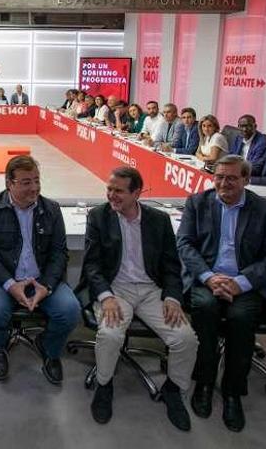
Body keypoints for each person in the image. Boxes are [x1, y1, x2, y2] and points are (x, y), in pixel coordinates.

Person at [83, 166, 198, 430]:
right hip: (115, 289)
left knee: (185, 339)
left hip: (151, 291)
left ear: (137, 193)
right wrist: (106, 297)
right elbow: (92, 266)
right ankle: (104, 385)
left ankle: (173, 389)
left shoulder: (159, 220)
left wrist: (172, 298)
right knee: (110, 335)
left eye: (119, 191)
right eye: (109, 189)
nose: (111, 195)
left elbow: (171, 266)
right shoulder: (98, 216)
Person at [176, 155, 266, 432]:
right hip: (206, 281)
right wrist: (209, 278)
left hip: (245, 284)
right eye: (219, 177)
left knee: (240, 318)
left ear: (246, 180)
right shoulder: (197, 203)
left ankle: (233, 391)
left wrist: (241, 282)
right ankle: (204, 382)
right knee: (206, 310)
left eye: (232, 178)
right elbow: (185, 245)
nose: (224, 183)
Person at [0, 155, 79, 384]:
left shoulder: (51, 209)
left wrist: (46, 286)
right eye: (25, 182)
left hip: (42, 281)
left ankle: (50, 349)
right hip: (4, 282)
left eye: (36, 180)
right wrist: (10, 284)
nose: (34, 187)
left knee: (70, 310)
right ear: (9, 184)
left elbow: (59, 253)